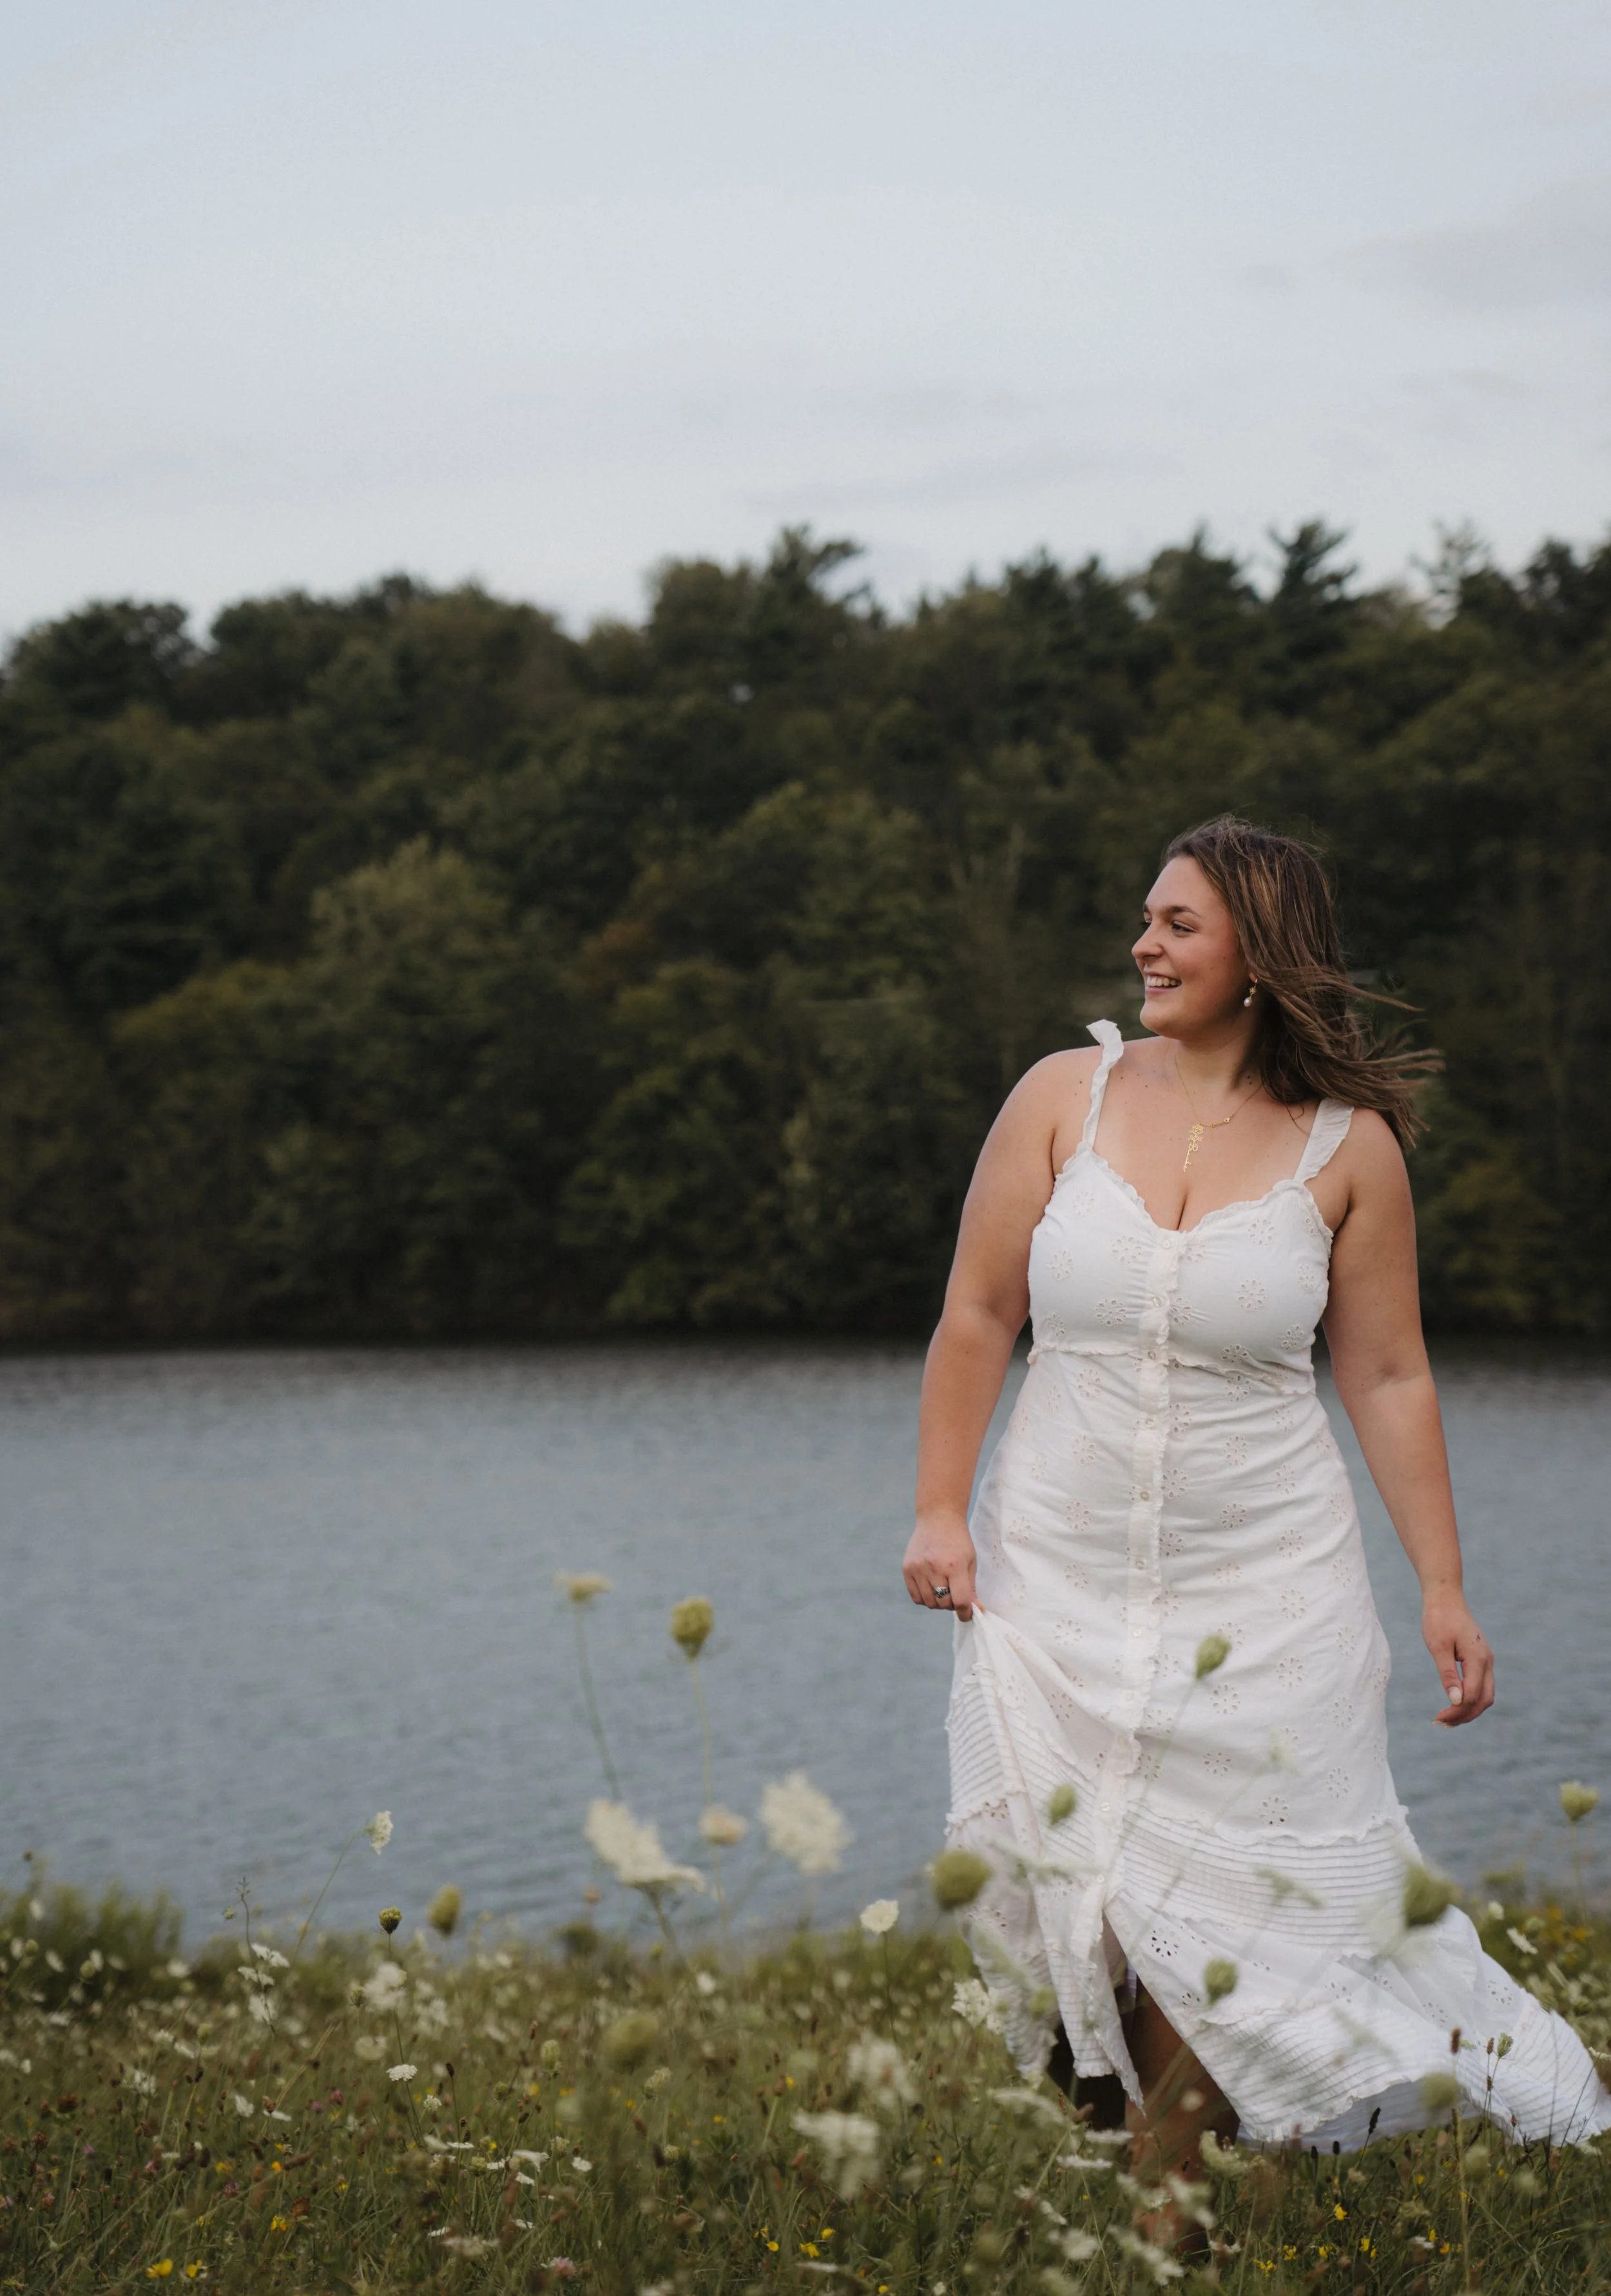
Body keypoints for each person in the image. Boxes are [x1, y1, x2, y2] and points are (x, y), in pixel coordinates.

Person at [903, 816, 1610, 2221]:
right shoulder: (1062, 1096)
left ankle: (1168, 2221)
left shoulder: (1350, 1153)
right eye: (1144, 920)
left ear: (1258, 953)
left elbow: (1389, 1375)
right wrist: (937, 1508)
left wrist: (1442, 1588)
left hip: (1265, 1584)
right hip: (1054, 1570)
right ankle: (1148, 2160)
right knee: (1067, 1895)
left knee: (1216, 1910)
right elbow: (978, 1313)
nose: (1142, 944)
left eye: (1176, 924)